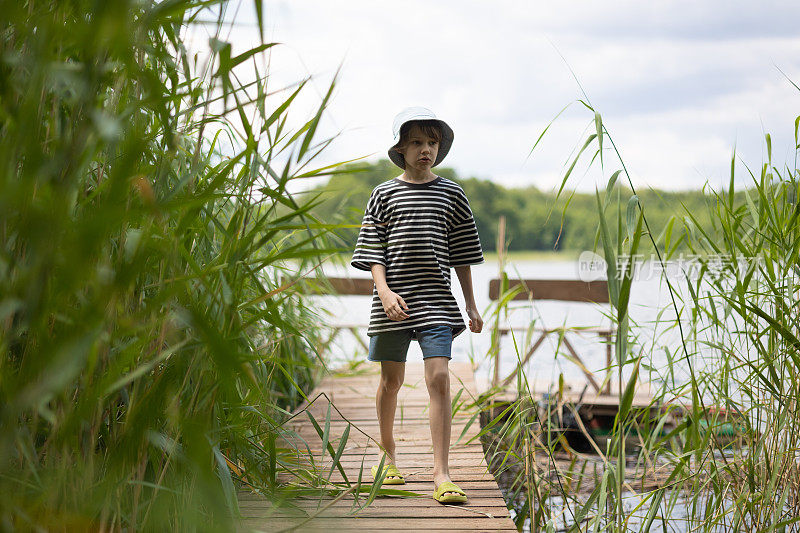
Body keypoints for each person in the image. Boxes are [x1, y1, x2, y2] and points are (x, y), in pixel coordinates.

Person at [350, 107, 484, 504]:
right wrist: (385, 292)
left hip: (436, 300)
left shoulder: (452, 193)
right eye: (417, 142)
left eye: (432, 142)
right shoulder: (384, 193)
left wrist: (471, 304)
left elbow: (462, 252)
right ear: (401, 148)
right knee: (390, 382)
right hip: (392, 299)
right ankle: (386, 457)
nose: (425, 149)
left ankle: (441, 474)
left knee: (439, 377)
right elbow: (373, 250)